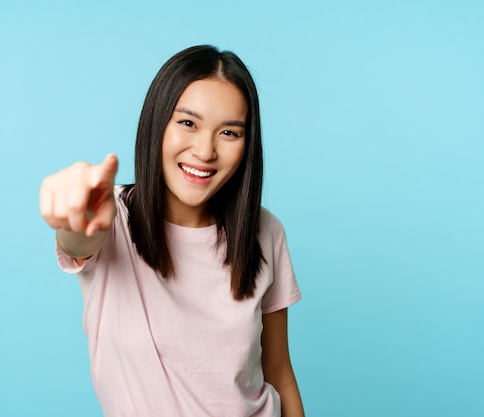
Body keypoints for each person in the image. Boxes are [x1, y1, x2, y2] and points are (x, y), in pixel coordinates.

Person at [39, 45, 304, 417]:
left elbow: (279, 373)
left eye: (229, 132)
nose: (205, 151)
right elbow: (79, 238)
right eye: (188, 123)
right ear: (157, 122)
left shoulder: (265, 230)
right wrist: (74, 217)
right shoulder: (112, 218)